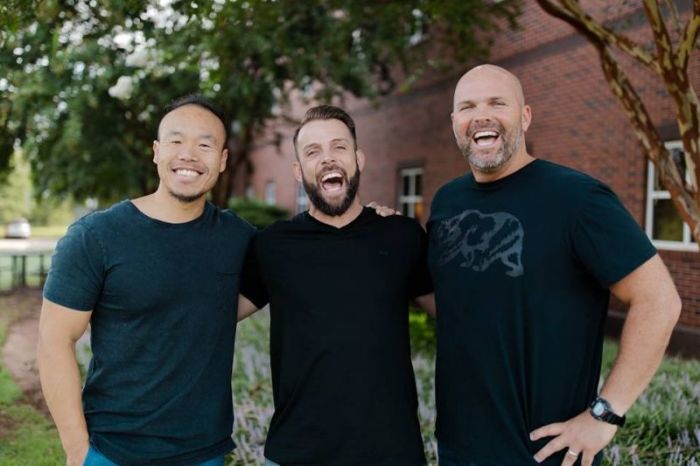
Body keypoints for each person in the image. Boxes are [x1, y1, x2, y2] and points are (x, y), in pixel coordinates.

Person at [427, 64, 681, 466]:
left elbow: (659, 301)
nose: (482, 115)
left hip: (547, 455)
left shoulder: (577, 198)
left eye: (497, 102)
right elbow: (447, 294)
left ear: (525, 116)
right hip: (458, 451)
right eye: (468, 106)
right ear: (456, 121)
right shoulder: (446, 203)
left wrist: (606, 414)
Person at [37, 95, 255, 466]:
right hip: (112, 451)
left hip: (204, 453)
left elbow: (297, 261)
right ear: (156, 151)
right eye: (175, 141)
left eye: (205, 144)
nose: (188, 154)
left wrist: (375, 219)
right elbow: (54, 340)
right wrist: (78, 450)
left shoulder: (238, 238)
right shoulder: (97, 236)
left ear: (221, 160)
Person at [237, 105, 435, 466]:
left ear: (358, 159)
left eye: (338, 147)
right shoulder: (273, 245)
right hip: (297, 452)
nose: (328, 159)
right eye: (313, 152)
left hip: (391, 453)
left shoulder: (403, 236)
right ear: (298, 172)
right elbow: (209, 313)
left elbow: (463, 314)